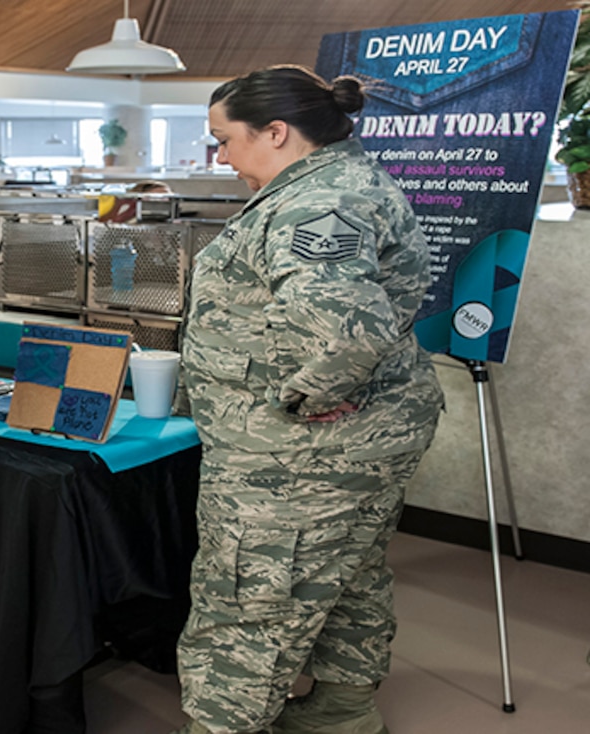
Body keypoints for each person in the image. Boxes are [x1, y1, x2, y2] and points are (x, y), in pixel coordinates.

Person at [171, 66, 444, 734]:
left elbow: (344, 328)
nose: (222, 157)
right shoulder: (336, 183)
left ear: (275, 131)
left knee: (249, 595)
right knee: (346, 572)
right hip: (359, 442)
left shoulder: (314, 203)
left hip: (298, 453)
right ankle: (341, 711)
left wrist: (307, 398)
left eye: (225, 140)